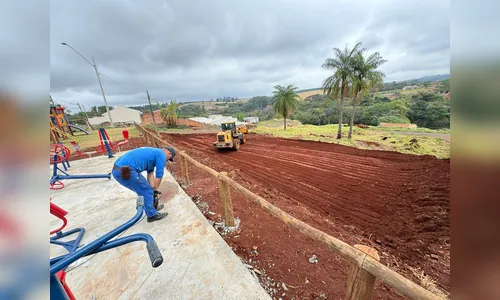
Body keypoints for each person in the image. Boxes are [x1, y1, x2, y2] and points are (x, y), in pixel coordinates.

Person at [111, 146, 176, 222]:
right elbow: (159, 174)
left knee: (147, 189)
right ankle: (152, 215)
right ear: (169, 153)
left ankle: (151, 208)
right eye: (169, 158)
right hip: (125, 170)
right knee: (145, 190)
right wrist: (154, 189)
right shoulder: (161, 154)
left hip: (119, 169)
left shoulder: (153, 153)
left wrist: (153, 188)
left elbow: (150, 174)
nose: (167, 160)